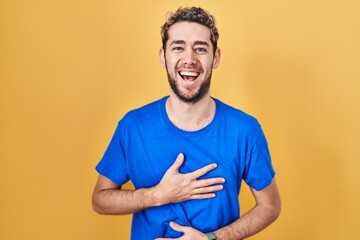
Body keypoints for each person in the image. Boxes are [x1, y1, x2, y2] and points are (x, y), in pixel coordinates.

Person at [92, 6, 281, 240]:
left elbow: (270, 206)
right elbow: (100, 200)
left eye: (200, 49)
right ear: (163, 57)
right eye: (178, 47)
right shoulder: (132, 126)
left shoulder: (245, 130)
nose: (189, 59)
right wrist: (156, 196)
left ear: (216, 57)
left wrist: (212, 239)